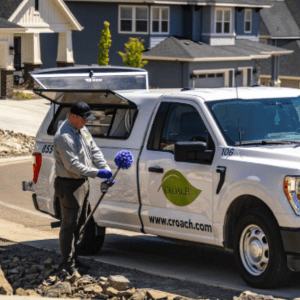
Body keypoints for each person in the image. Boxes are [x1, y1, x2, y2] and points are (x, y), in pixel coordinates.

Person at [54, 101, 113, 277]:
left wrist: (106, 169)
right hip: (69, 184)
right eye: (84, 119)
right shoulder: (65, 137)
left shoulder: (81, 130)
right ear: (73, 117)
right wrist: (97, 173)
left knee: (79, 224)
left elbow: (94, 151)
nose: (87, 122)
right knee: (69, 225)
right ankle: (67, 265)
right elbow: (73, 166)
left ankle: (74, 259)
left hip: (82, 183)